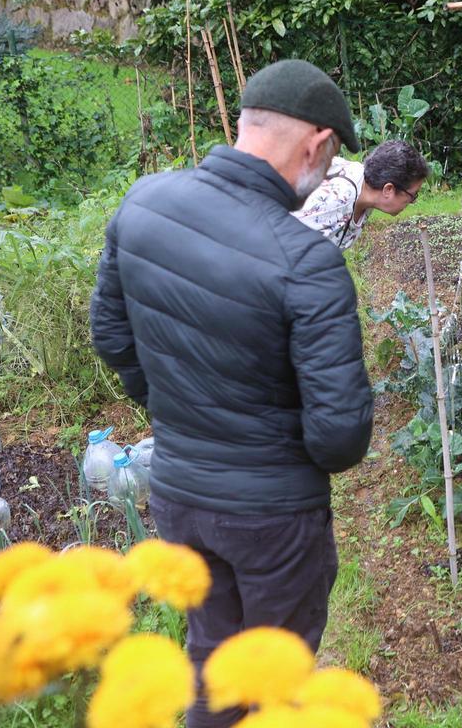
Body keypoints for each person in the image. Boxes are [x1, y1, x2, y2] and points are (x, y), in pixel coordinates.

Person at [90, 59, 374, 728]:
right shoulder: (306, 263)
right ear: (317, 146)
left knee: (213, 660)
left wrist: (175, 408)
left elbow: (111, 335)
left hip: (181, 496)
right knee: (275, 682)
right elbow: (338, 439)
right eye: (331, 160)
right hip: (273, 521)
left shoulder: (144, 204)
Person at [293, 139, 429, 251]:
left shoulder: (367, 194)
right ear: (388, 189)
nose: (412, 202)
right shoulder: (339, 197)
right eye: (412, 196)